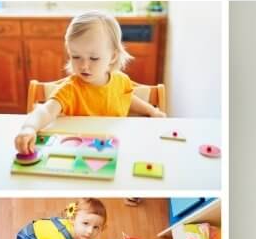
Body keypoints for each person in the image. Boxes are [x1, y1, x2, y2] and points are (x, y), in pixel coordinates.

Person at [14, 10, 165, 155]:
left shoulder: (121, 81)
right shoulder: (70, 89)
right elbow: (46, 110)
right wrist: (29, 127)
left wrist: (151, 111)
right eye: (76, 57)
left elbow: (128, 98)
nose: (84, 65)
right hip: (79, 150)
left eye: (94, 58)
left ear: (112, 56)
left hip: (115, 148)